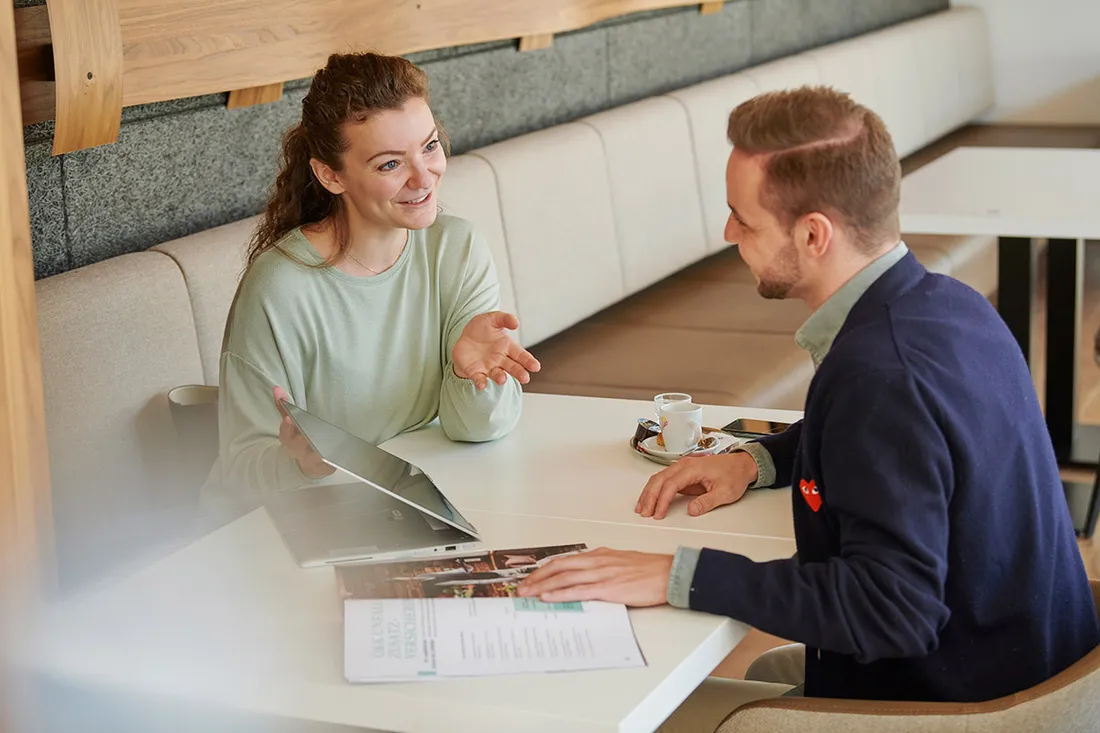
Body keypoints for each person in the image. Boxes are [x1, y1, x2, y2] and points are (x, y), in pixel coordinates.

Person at [519, 86, 1100, 713]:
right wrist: (753, 460)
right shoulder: (948, 306)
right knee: (760, 671)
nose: (728, 231)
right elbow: (901, 450)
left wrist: (676, 574)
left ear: (814, 235)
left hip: (972, 710)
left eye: (744, 217)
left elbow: (893, 614)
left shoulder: (879, 378)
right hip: (1031, 663)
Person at [200, 52, 540, 523]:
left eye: (430, 146)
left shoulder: (456, 247)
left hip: (400, 505)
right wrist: (304, 463)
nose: (424, 178)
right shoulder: (280, 288)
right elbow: (241, 472)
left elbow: (478, 429)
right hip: (274, 528)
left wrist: (469, 379)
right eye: (388, 165)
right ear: (331, 175)